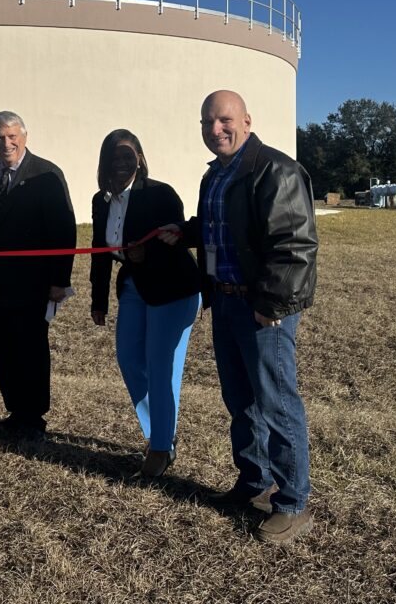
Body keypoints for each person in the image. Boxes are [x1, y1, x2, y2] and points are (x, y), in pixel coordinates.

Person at [161, 89, 318, 544]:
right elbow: (223, 227)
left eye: (224, 120)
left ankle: (293, 503)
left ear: (247, 121)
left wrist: (271, 306)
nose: (215, 130)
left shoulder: (275, 169)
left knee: (276, 403)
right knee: (241, 400)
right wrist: (185, 232)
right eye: (207, 122)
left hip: (262, 307)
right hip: (225, 301)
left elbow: (295, 246)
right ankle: (254, 481)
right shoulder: (215, 175)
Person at [89, 129, 201, 478]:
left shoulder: (159, 193)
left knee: (160, 366)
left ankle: (160, 447)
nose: (121, 162)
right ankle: (163, 431)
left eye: (128, 155)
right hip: (134, 287)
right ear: (105, 162)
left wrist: (147, 253)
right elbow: (99, 252)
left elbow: (177, 237)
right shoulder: (101, 201)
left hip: (173, 288)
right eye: (114, 156)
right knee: (128, 358)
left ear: (139, 158)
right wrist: (98, 300)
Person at [0, 111, 76, 440]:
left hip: (33, 283)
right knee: (3, 349)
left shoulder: (47, 173)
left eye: (12, 136)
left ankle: (33, 418)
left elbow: (64, 230)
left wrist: (60, 280)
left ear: (24, 137)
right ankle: (16, 412)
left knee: (31, 350)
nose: (6, 143)